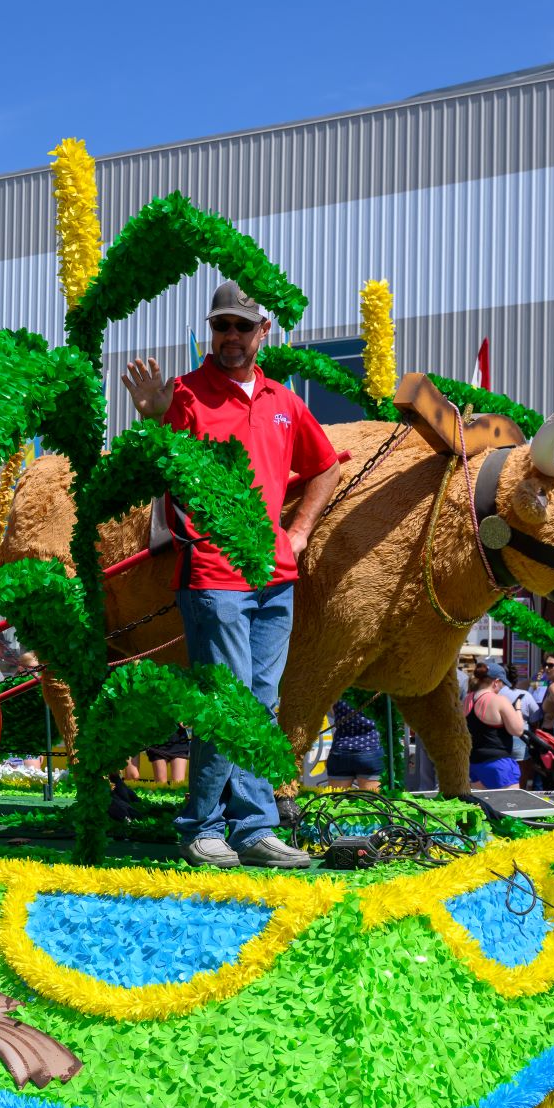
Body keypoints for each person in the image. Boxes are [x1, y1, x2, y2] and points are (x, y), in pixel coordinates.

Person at [123, 280, 343, 869]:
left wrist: (298, 534)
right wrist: (151, 417)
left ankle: (253, 829)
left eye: (242, 326)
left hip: (274, 576)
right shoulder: (185, 396)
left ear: (262, 332)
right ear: (211, 329)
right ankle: (202, 824)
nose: (231, 336)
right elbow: (154, 463)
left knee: (262, 702)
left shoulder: (284, 401)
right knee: (228, 700)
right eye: (222, 325)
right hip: (214, 573)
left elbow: (324, 469)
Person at [465, 661, 527, 789]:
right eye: (502, 684)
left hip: (474, 763)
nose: (501, 688)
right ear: (496, 682)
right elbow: (518, 730)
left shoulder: (467, 699)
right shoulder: (499, 700)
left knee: (482, 806)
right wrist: (518, 709)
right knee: (511, 806)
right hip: (498, 764)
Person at [326, 698, 384, 790]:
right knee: (372, 802)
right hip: (370, 749)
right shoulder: (377, 690)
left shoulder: (338, 689)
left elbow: (332, 712)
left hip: (341, 750)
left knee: (335, 801)